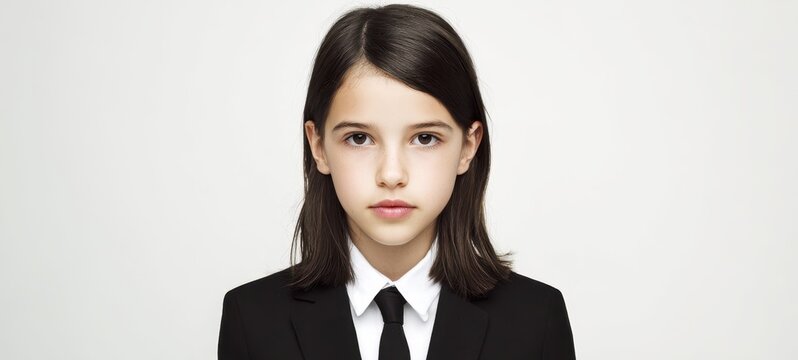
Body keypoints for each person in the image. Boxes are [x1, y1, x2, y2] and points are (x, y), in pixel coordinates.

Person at [218, 4, 575, 359]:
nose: (391, 175)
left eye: (424, 138)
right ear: (318, 146)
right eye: (359, 138)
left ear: (468, 146)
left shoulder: (536, 319)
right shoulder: (252, 320)